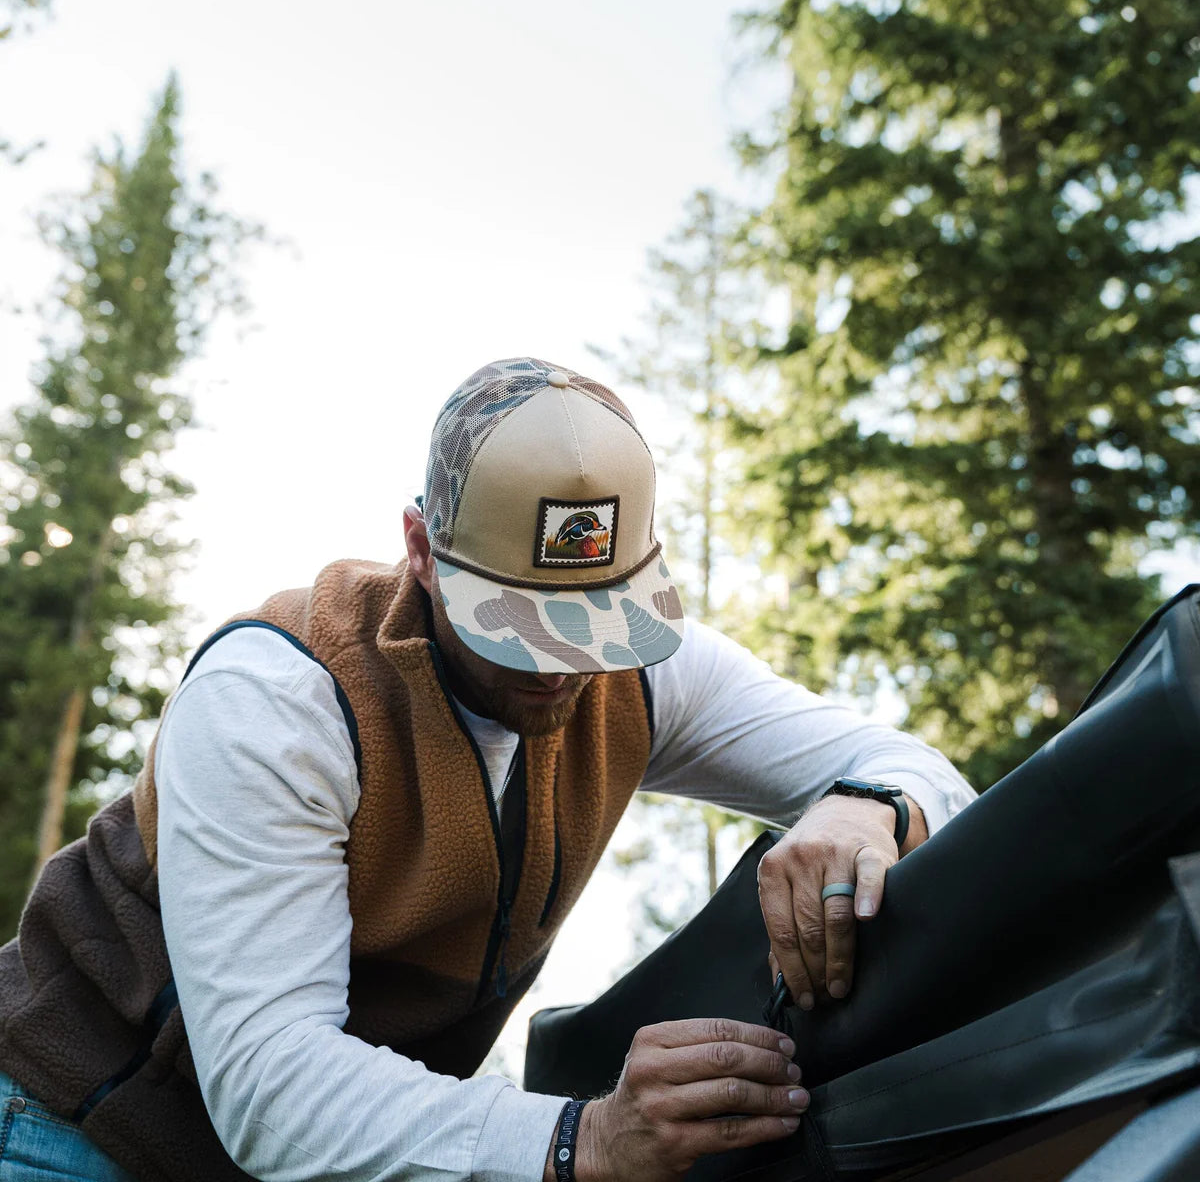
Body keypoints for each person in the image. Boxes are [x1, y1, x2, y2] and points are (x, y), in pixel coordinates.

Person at [0, 357, 976, 1182]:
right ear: (422, 548)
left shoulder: (643, 675)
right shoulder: (280, 698)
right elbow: (270, 1084)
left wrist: (866, 808)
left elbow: (914, 769)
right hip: (70, 1126)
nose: (562, 669)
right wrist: (585, 1139)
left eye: (596, 624)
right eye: (518, 624)